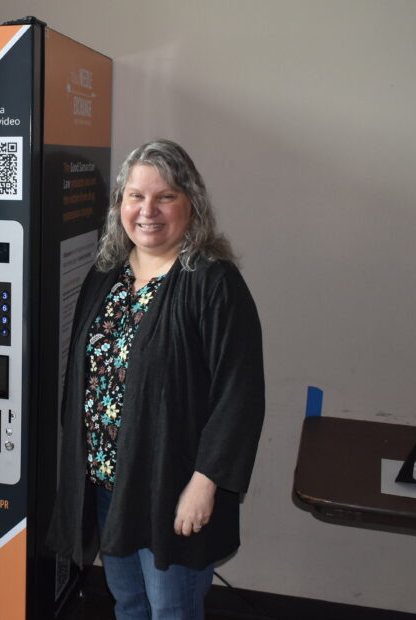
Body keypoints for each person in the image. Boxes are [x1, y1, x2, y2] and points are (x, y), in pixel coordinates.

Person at [47, 139, 265, 619]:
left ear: (192, 204)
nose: (148, 210)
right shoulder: (106, 274)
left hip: (172, 491)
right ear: (120, 205)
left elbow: (240, 396)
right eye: (135, 196)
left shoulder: (214, 283)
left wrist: (205, 484)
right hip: (108, 486)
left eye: (165, 196)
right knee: (128, 602)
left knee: (172, 610)